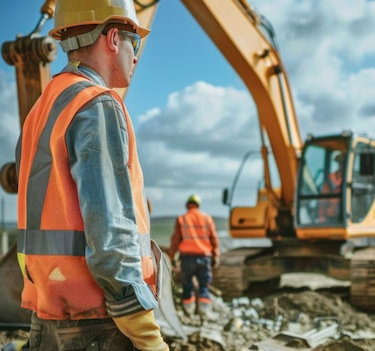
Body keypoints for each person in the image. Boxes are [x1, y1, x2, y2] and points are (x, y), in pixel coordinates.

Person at [15, 1, 169, 350]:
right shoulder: (97, 104)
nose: (136, 56)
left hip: (49, 319)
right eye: (135, 43)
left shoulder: (43, 108)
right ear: (113, 38)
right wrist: (143, 329)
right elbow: (110, 233)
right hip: (99, 324)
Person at [168, 194, 220, 318]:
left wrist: (171, 257)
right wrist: (216, 255)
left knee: (187, 284)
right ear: (198, 205)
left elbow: (175, 240)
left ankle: (188, 311)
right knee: (204, 285)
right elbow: (214, 238)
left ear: (188, 205)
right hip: (204, 257)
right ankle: (204, 312)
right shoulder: (207, 219)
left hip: (187, 258)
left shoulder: (182, 219)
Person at [318, 152, 345, 223]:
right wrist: (321, 215)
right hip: (332, 216)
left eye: (344, 162)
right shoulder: (332, 178)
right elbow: (323, 200)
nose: (342, 164)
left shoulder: (355, 178)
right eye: (341, 162)